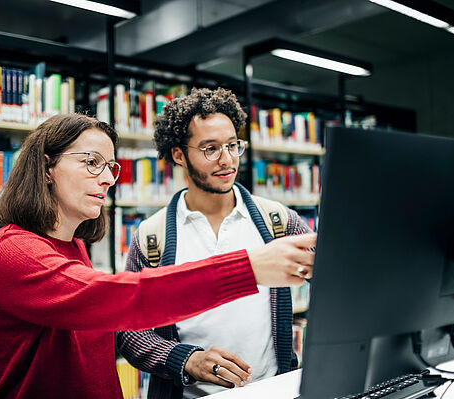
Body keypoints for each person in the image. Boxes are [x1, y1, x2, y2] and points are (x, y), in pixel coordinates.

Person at [0, 113, 316, 399]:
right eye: (92, 162)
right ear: (46, 168)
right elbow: (118, 300)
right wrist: (248, 268)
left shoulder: (73, 247)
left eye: (110, 167)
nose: (107, 178)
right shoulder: (9, 252)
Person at [116, 88, 315, 399]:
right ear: (178, 154)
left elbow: (334, 281)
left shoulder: (278, 221)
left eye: (233, 145)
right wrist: (188, 360)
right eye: (210, 148)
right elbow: (129, 332)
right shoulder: (151, 238)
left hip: (273, 391)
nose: (227, 160)